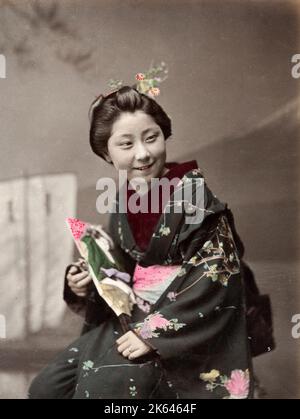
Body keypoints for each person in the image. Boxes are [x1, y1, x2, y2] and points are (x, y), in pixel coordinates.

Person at [29, 86, 254, 399]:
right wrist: (87, 282)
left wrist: (152, 334)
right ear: (107, 154)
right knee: (47, 388)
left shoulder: (197, 202)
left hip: (179, 328)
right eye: (126, 144)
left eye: (152, 137)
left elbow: (217, 278)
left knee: (100, 391)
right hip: (130, 319)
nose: (143, 153)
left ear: (164, 135)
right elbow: (122, 271)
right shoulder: (123, 201)